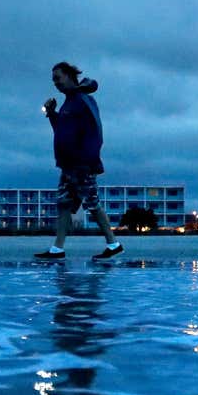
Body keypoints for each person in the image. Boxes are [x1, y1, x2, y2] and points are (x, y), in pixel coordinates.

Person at [35, 62, 123, 260]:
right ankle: (58, 249)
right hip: (69, 165)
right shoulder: (69, 102)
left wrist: (87, 162)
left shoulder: (83, 100)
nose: (55, 83)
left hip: (81, 164)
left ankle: (114, 243)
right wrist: (51, 114)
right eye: (53, 80)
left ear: (69, 76)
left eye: (58, 78)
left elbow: (95, 132)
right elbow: (63, 131)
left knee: (92, 202)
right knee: (64, 203)